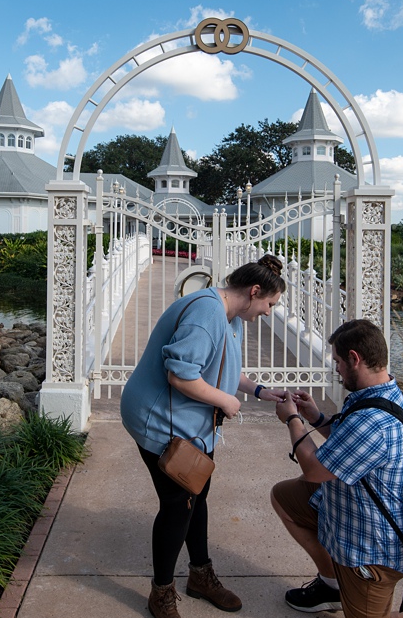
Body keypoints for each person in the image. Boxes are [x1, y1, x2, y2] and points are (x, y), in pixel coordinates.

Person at [120, 254, 289, 618]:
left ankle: (200, 574)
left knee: (200, 490)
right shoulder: (207, 313)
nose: (268, 312)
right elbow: (179, 375)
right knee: (178, 503)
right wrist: (226, 401)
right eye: (269, 305)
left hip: (190, 421)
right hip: (157, 417)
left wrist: (260, 392)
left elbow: (224, 366)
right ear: (254, 290)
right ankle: (161, 593)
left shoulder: (231, 314)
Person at [270, 319, 403, 618]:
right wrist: (315, 416)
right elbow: (348, 438)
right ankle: (332, 586)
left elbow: (314, 470)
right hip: (347, 515)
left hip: (370, 552)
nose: (337, 369)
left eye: (339, 362)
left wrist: (293, 420)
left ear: (355, 359)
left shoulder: (374, 423)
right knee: (284, 498)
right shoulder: (382, 393)